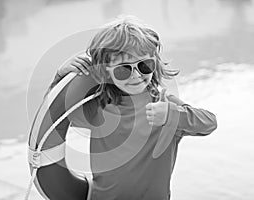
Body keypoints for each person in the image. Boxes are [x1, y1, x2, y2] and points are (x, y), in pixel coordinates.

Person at [48, 15, 217, 200]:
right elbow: (53, 117)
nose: (136, 75)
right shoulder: (97, 108)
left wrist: (172, 115)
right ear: (106, 72)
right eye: (124, 69)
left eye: (144, 65)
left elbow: (209, 122)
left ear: (155, 63)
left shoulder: (164, 105)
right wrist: (59, 78)